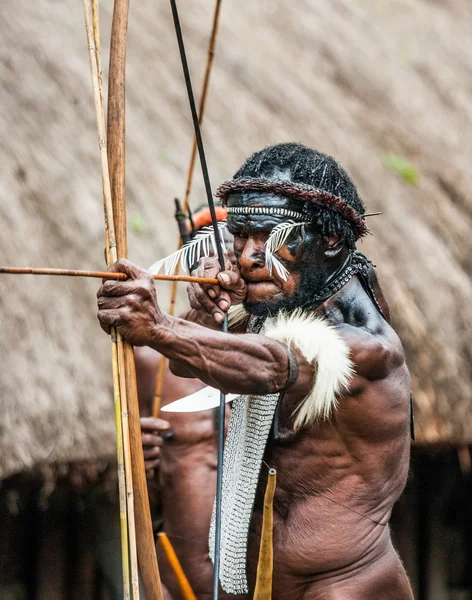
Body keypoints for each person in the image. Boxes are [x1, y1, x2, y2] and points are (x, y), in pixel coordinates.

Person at [97, 142, 414, 599]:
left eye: (270, 237)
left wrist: (159, 326)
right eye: (242, 236)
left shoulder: (367, 348)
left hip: (343, 587)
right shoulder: (272, 318)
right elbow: (190, 363)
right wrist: (204, 315)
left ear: (331, 240)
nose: (248, 256)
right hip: (254, 586)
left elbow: (268, 365)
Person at [134, 205, 234, 600]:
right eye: (206, 259)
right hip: (182, 579)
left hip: (273, 577)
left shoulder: (286, 353)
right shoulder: (150, 360)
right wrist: (137, 465)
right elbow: (144, 492)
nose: (220, 275)